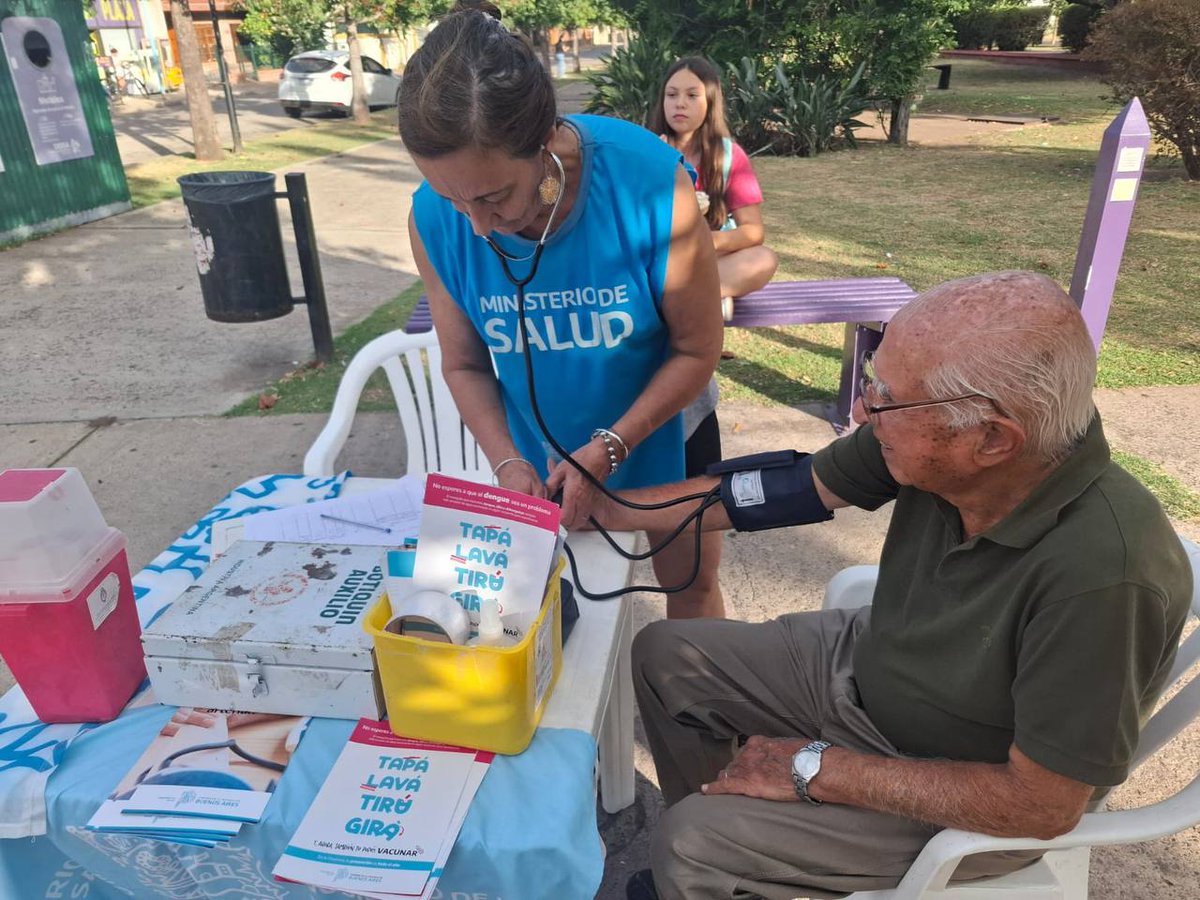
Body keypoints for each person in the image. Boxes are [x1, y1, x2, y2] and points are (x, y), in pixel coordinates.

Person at [587, 271, 1193, 899]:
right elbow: (780, 491)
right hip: (879, 669)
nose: (862, 411)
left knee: (691, 841)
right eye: (874, 380)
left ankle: (717, 860)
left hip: (971, 789)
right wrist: (605, 507)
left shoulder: (1104, 576)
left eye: (885, 398)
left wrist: (813, 769)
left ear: (991, 437)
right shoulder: (940, 436)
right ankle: (740, 860)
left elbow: (1040, 806)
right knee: (669, 656)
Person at [397, 4, 728, 618]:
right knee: (559, 609)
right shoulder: (431, 217)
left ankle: (704, 714)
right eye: (451, 198)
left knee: (690, 587)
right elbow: (465, 365)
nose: (477, 226)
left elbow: (697, 349)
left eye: (496, 195)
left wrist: (609, 445)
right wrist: (509, 462)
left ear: (546, 138)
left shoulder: (650, 184)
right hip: (543, 458)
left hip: (666, 430)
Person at [651, 57, 778, 321]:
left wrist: (709, 241)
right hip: (657, 263)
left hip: (708, 262)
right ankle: (704, 300)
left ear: (710, 102)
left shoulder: (729, 156)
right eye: (671, 95)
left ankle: (685, 302)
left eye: (692, 95)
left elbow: (753, 232)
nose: (680, 103)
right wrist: (656, 170)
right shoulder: (646, 150)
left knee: (764, 260)